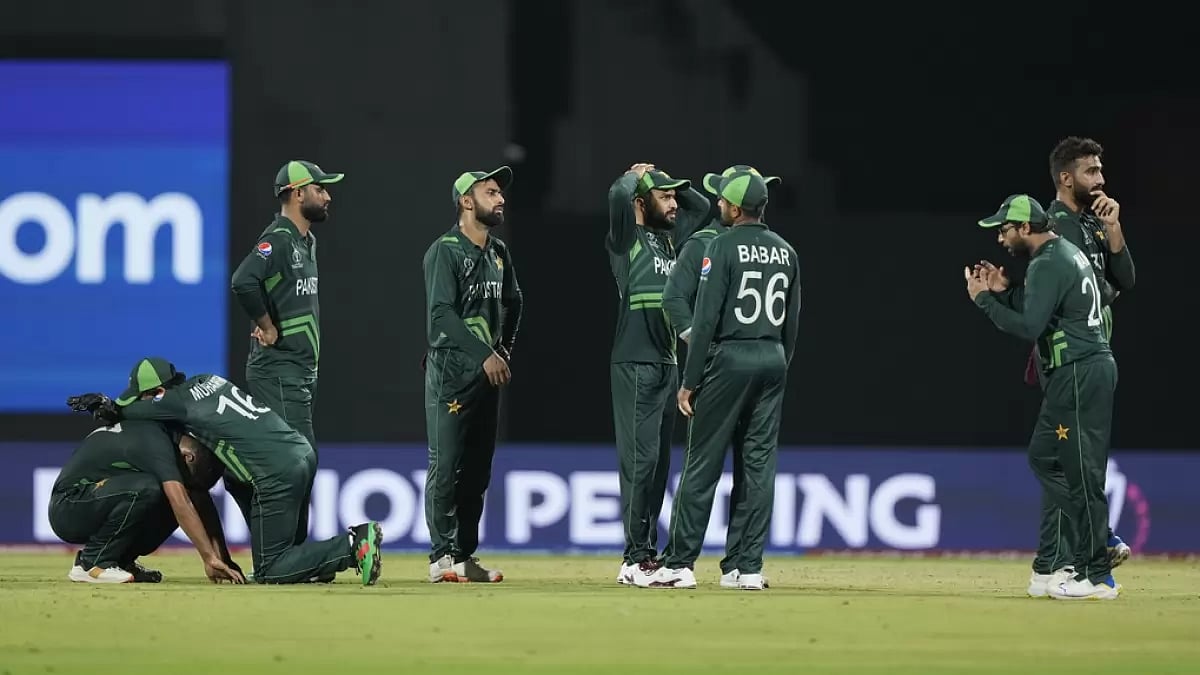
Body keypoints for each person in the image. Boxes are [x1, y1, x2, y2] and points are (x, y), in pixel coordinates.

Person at [67, 357, 382, 586]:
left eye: (146, 397)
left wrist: (109, 406)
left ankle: (354, 545)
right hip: (299, 451)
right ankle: (312, 565)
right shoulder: (207, 380)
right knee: (236, 483)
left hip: (275, 472)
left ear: (157, 393)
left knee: (270, 569)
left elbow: (129, 410)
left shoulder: (172, 401)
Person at [638, 170, 800, 590]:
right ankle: (746, 569)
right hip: (772, 359)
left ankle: (679, 564)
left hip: (727, 358)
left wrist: (690, 380)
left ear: (730, 206)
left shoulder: (721, 246)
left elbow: (706, 317)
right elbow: (793, 325)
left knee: (701, 464)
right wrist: (778, 366)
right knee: (759, 468)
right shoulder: (786, 251)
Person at [968, 194, 1120, 600]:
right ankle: (1100, 538)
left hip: (1077, 372)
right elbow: (1045, 308)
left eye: (1004, 230)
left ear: (1025, 229)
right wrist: (1005, 290)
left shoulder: (1049, 261)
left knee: (1079, 472)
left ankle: (1098, 575)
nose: (1001, 239)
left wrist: (984, 301)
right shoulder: (1060, 254)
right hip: (1083, 370)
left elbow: (1030, 325)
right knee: (1043, 457)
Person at [230, 159, 344, 544]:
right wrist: (266, 325)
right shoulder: (278, 239)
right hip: (277, 370)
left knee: (298, 462)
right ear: (297, 193)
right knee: (300, 459)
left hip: (297, 371)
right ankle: (288, 553)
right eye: (319, 188)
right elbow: (243, 280)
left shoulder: (306, 241)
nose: (327, 196)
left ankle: (290, 551)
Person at [606, 163, 710, 585]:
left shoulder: (671, 243)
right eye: (663, 197)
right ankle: (634, 560)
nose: (672, 204)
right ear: (640, 202)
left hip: (667, 363)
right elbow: (617, 197)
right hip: (634, 362)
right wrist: (634, 177)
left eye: (672, 197)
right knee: (640, 463)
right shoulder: (624, 240)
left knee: (660, 466)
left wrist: (667, 186)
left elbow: (700, 207)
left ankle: (646, 551)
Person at [422, 166, 523, 583]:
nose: (500, 199)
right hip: (451, 370)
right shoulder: (444, 250)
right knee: (447, 465)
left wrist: (503, 349)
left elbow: (515, 301)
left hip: (487, 372)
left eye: (500, 193)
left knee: (478, 469)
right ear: (467, 201)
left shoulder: (498, 252)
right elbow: (441, 315)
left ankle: (463, 555)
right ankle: (440, 559)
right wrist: (485, 353)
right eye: (491, 192)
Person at [1044, 137, 1136, 568]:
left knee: (1073, 461)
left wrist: (1115, 231)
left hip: (1096, 350)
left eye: (1100, 170)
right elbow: (1089, 292)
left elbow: (1127, 280)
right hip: (1071, 355)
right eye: (1091, 171)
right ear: (1066, 178)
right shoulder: (1056, 226)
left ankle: (1055, 560)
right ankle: (1082, 553)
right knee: (1072, 461)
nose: (1101, 179)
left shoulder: (1095, 223)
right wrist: (1107, 290)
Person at [49, 417, 242, 584]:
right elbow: (182, 503)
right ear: (188, 457)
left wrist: (222, 558)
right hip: (68, 506)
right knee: (150, 488)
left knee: (170, 493)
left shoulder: (171, 437)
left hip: (99, 499)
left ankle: (120, 561)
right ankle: (91, 563)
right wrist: (208, 558)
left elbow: (199, 501)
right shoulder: (157, 443)